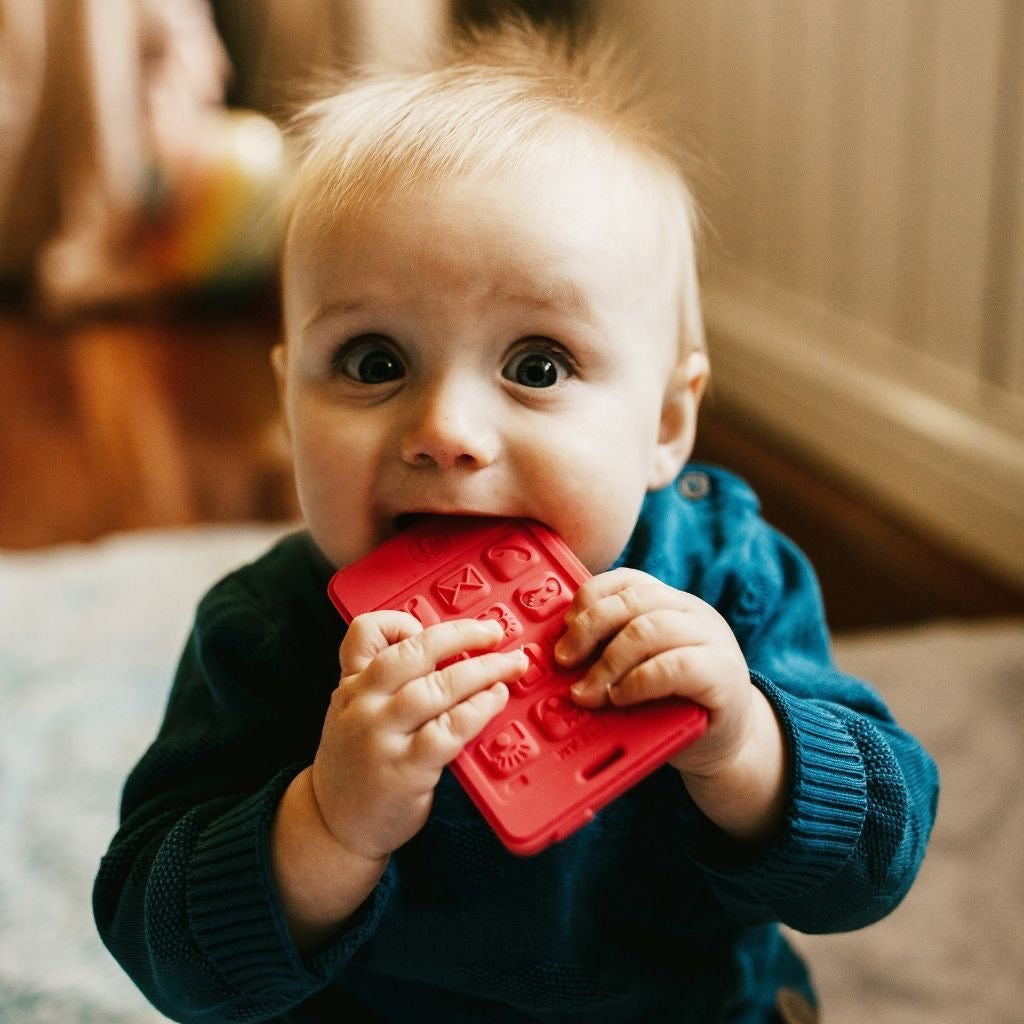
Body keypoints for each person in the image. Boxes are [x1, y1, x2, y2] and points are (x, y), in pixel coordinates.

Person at [94, 21, 939, 1024]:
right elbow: (166, 945)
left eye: (536, 365)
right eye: (373, 362)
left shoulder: (728, 576)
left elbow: (876, 860)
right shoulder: (264, 631)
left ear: (666, 422)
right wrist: (324, 822)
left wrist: (746, 742)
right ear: (287, 404)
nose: (446, 430)